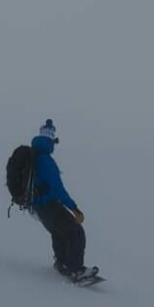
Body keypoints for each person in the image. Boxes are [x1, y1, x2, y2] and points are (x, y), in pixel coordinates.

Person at [29, 119, 97, 281]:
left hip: (38, 207)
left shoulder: (33, 157)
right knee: (76, 232)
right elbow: (57, 189)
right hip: (48, 204)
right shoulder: (45, 160)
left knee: (58, 231)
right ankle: (76, 270)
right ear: (51, 140)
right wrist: (74, 208)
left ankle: (62, 263)